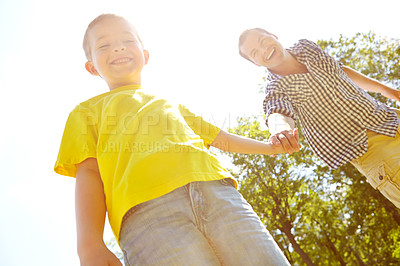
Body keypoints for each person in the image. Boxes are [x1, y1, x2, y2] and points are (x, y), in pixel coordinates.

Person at [54, 14, 293, 265]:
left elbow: (220, 138)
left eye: (127, 39)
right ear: (92, 66)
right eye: (104, 45)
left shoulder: (168, 103)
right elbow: (89, 172)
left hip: (219, 194)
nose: (118, 47)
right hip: (147, 215)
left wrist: (270, 148)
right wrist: (89, 245)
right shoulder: (86, 112)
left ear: (145, 56)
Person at [238, 28, 400, 208]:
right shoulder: (276, 89)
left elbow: (339, 69)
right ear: (255, 63)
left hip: (389, 117)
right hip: (368, 147)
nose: (263, 50)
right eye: (255, 53)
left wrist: (387, 90)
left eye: (262, 41)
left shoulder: (306, 47)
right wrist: (281, 131)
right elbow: (277, 112)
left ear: (273, 36)